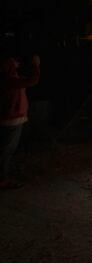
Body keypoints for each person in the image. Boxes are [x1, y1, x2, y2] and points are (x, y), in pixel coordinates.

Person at [0, 53, 40, 189]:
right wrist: (36, 65)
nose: (16, 65)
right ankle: (2, 179)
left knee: (7, 150)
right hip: (11, 120)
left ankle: (7, 173)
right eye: (13, 64)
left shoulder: (11, 78)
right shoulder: (9, 80)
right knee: (6, 151)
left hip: (13, 119)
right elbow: (33, 80)